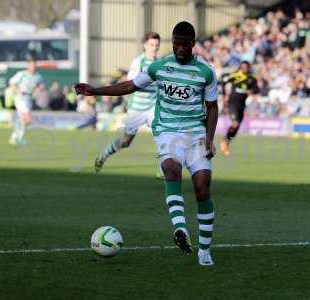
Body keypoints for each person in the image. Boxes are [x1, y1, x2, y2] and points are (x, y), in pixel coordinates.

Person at [75, 21, 219, 266]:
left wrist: (208, 138)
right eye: (176, 44)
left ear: (193, 44)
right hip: (167, 130)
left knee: (202, 187)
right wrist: (95, 91)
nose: (179, 49)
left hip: (195, 133)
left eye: (184, 45)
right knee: (171, 168)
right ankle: (180, 230)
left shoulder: (205, 72)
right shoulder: (160, 66)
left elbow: (213, 107)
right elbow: (130, 85)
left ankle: (204, 251)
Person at [93, 32, 161, 173]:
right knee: (126, 141)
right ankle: (103, 155)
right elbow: (133, 84)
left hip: (153, 107)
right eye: (151, 45)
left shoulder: (159, 64)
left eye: (156, 45)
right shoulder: (138, 62)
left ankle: (162, 170)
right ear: (144, 45)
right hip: (136, 107)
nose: (154, 48)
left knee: (162, 136)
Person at [220, 61, 259, 156]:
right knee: (235, 123)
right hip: (232, 103)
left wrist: (251, 91)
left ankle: (227, 142)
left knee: (237, 127)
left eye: (246, 67)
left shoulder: (251, 78)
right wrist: (225, 95)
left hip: (242, 105)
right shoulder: (235, 75)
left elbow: (256, 89)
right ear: (240, 67)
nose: (245, 69)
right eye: (243, 67)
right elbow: (223, 82)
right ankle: (224, 141)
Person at [8, 58, 44, 145]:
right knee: (28, 118)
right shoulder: (22, 74)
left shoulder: (38, 76)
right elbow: (11, 82)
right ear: (28, 65)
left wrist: (38, 90)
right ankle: (19, 137)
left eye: (35, 65)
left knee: (24, 120)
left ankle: (16, 137)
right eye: (31, 65)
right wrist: (16, 90)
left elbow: (41, 86)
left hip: (29, 98)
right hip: (20, 97)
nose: (33, 67)